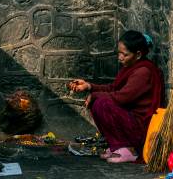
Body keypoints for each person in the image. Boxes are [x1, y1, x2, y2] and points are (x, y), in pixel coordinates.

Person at [68, 31, 164, 164]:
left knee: (102, 104)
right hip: (130, 120)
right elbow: (113, 88)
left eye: (124, 54)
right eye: (119, 52)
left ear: (138, 55)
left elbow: (121, 98)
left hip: (140, 127)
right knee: (99, 103)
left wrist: (95, 95)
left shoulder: (144, 71)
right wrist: (89, 86)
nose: (120, 57)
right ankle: (118, 147)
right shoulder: (131, 66)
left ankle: (130, 150)